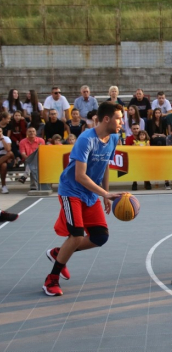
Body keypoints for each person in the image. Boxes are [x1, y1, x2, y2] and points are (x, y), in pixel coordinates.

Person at [42, 102, 124, 296]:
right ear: (106, 119)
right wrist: (104, 193)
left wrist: (105, 193)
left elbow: (105, 166)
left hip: (90, 193)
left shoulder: (113, 138)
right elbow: (80, 176)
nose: (122, 122)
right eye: (119, 118)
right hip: (71, 191)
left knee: (100, 237)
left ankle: (58, 253)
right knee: (77, 235)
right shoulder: (86, 139)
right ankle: (51, 279)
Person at [125, 123, 152, 191]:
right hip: (134, 158)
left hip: (145, 158)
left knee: (146, 169)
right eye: (134, 129)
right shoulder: (129, 139)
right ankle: (134, 182)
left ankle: (147, 181)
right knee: (135, 170)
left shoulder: (146, 140)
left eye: (137, 128)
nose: (136, 130)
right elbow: (128, 150)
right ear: (131, 130)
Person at [0, 127, 14, 194]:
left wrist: (2, 139)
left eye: (0, 131)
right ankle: (3, 186)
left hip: (6, 157)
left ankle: (3, 186)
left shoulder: (6, 138)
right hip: (2, 160)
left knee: (10, 153)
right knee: (4, 165)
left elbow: (8, 149)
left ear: (2, 132)